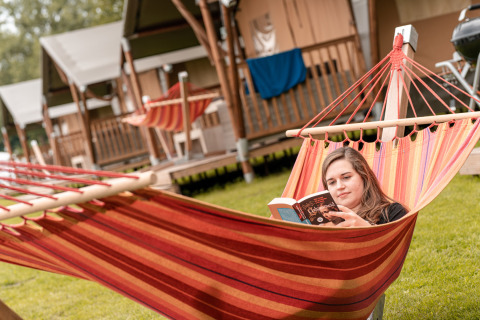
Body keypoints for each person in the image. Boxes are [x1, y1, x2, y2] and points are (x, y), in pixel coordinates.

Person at [321, 146, 407, 227]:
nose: (339, 186)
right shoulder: (324, 221)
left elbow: (395, 243)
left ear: (364, 176)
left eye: (346, 177)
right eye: (332, 182)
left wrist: (367, 228)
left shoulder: (392, 212)